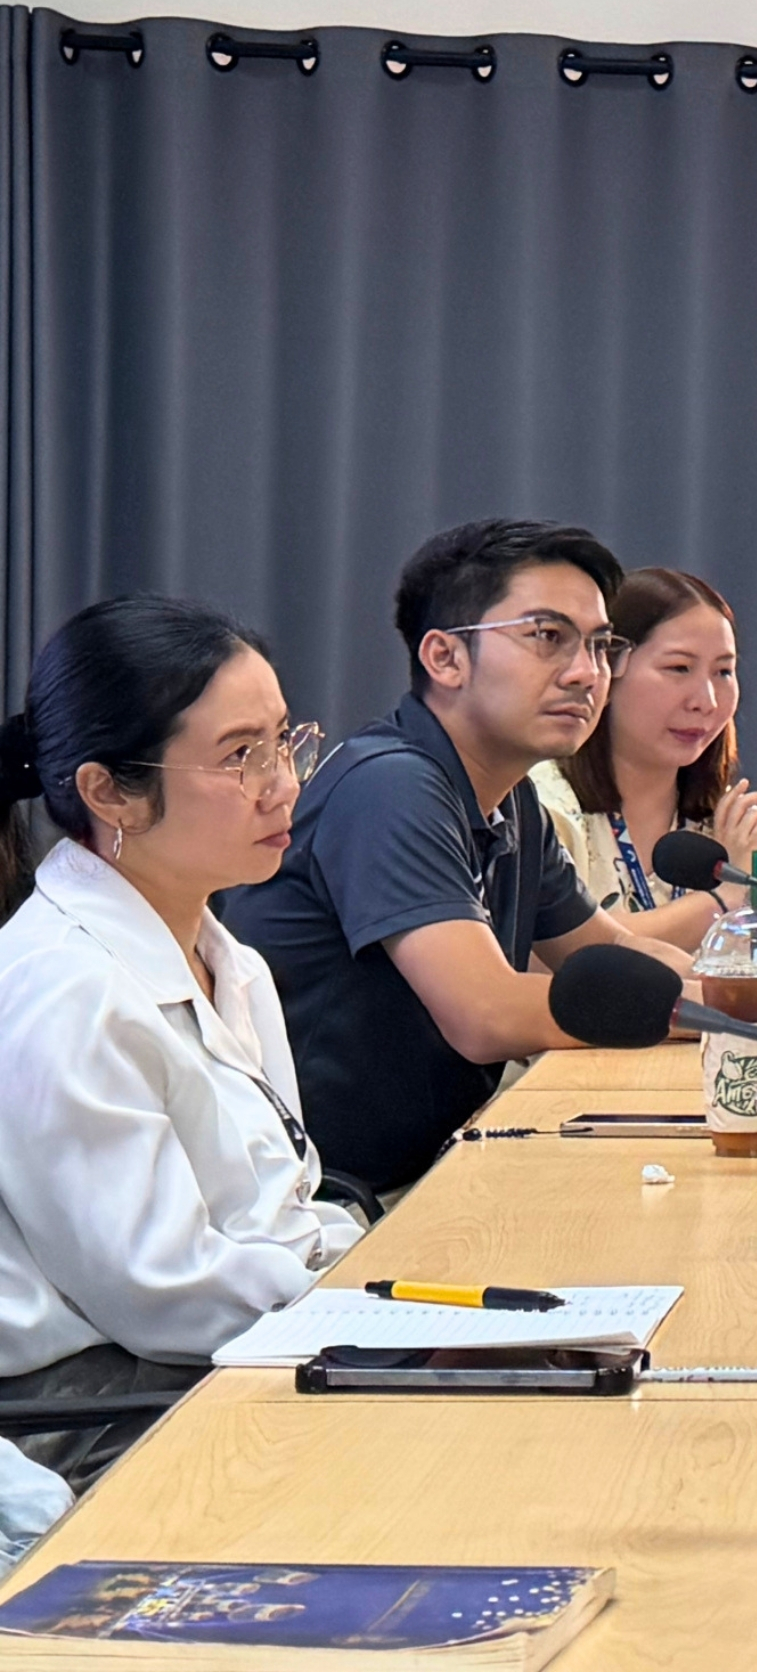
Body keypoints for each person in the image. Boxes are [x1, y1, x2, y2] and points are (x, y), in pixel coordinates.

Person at [0, 596, 363, 1489]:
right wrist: (360, 1304)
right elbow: (159, 1290)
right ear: (108, 792)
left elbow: (274, 1208)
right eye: (240, 757)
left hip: (229, 1347)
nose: (284, 784)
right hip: (94, 1412)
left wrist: (371, 1267)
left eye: (284, 742)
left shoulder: (229, 960)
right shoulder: (64, 988)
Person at [223, 523, 705, 1192]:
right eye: (548, 637)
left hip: (428, 1175)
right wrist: (711, 1016)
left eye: (600, 645)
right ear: (446, 658)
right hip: (328, 1203)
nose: (586, 673)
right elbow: (487, 1014)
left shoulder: (512, 797)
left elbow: (610, 950)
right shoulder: (390, 784)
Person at [530, 567, 757, 952]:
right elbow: (549, 952)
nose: (706, 701)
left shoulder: (731, 825)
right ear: (607, 669)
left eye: (723, 672)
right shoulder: (540, 807)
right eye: (679, 668)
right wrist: (726, 897)